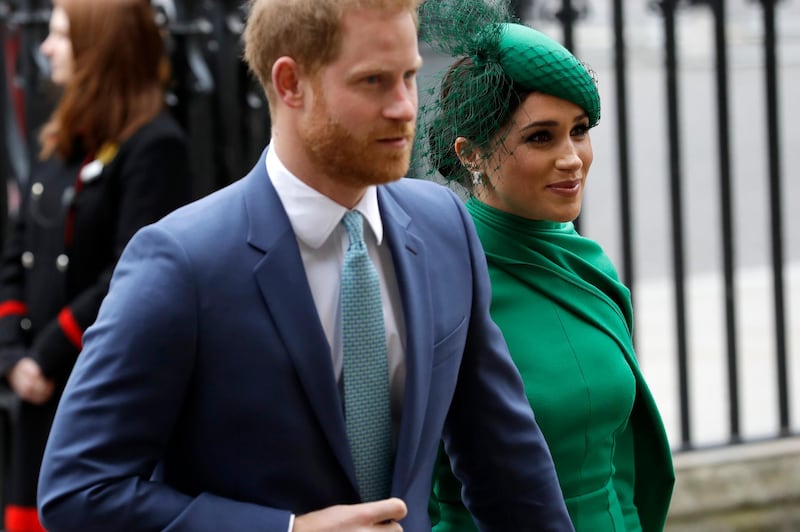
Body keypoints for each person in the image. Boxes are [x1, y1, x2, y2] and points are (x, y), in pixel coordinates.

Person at [36, 0, 575, 531]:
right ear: (291, 83)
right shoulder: (181, 262)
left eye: (408, 76)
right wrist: (289, 531)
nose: (405, 106)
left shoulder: (444, 228)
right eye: (373, 81)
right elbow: (79, 491)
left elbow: (507, 467)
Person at [417, 2, 675, 531]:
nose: (572, 157)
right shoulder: (439, 280)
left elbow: (620, 460)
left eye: (579, 130)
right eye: (541, 137)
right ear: (470, 153)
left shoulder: (588, 263)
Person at [0, 1, 192, 531]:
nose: (45, 48)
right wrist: (12, 353)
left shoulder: (155, 146)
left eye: (59, 34)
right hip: (33, 388)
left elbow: (133, 272)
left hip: (90, 385)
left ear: (98, 48)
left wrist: (47, 353)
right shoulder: (61, 139)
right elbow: (17, 249)